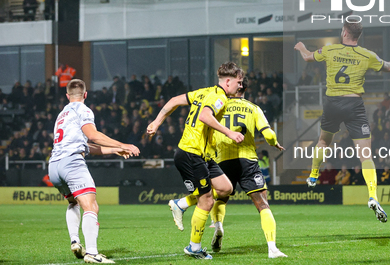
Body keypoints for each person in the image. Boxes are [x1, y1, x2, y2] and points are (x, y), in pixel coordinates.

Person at [294, 22, 390, 223]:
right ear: (358, 36)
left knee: (323, 142)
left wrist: (301, 46)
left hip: (332, 103)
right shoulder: (367, 54)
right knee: (365, 155)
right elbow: (388, 67)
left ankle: (313, 174)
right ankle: (372, 196)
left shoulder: (330, 50)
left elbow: (307, 56)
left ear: (344, 32)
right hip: (354, 104)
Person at [146, 62, 245, 260]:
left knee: (226, 188)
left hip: (203, 155)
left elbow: (173, 101)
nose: (240, 86)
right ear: (228, 81)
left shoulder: (203, 92)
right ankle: (194, 247)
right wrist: (229, 132)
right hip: (191, 154)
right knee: (206, 201)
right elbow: (205, 116)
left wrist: (157, 122)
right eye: (239, 82)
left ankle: (181, 204)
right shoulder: (219, 97)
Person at [48, 79, 140, 264]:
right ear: (85, 94)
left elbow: (86, 146)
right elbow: (93, 136)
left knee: (74, 202)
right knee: (91, 206)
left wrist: (115, 150)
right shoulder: (83, 110)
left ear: (67, 96)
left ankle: (75, 241)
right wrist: (123, 144)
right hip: (72, 163)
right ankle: (91, 252)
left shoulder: (62, 114)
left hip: (54, 166)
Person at [208, 76, 287, 258]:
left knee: (220, 198)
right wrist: (274, 143)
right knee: (262, 203)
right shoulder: (253, 108)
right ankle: (272, 248)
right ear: (245, 90)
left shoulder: (218, 107)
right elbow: (268, 134)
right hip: (247, 160)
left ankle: (218, 226)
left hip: (222, 159)